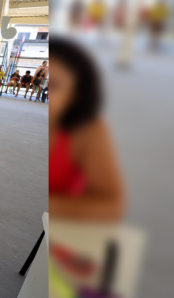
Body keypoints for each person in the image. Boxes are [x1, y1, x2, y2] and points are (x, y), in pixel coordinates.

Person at [48, 38, 123, 221]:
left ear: (74, 94)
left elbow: (113, 204)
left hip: (69, 226)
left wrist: (50, 206)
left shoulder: (88, 130)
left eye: (55, 85)